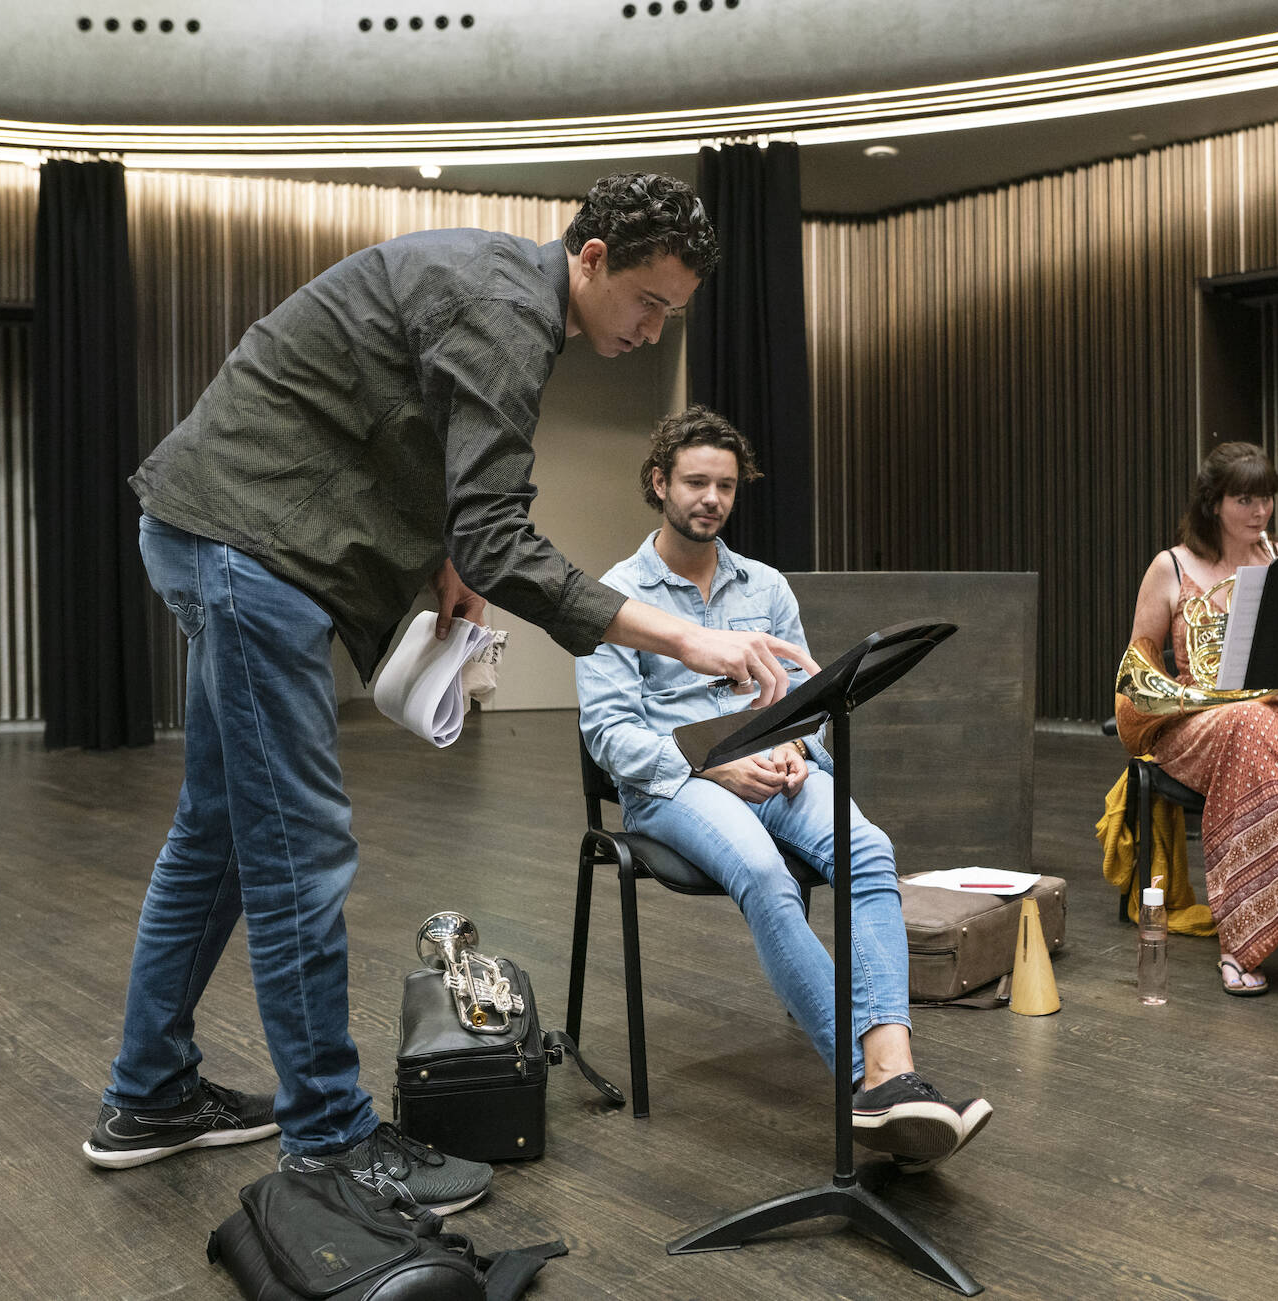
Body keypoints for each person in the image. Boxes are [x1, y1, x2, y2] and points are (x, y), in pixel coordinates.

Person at [81, 174, 820, 1215]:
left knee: (216, 834)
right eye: (649, 303)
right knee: (300, 843)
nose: (655, 333)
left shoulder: (498, 290)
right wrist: (685, 634)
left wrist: (453, 560)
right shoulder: (504, 307)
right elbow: (500, 533)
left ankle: (148, 1093)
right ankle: (333, 1140)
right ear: (594, 259)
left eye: (674, 317)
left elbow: (417, 452)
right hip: (246, 549)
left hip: (222, 533)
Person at [575, 407, 991, 1169]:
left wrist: (800, 745)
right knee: (765, 874)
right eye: (696, 481)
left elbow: (810, 698)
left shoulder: (764, 586)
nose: (712, 498)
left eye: (726, 485)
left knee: (871, 850)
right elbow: (609, 737)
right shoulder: (618, 594)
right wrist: (711, 766)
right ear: (660, 482)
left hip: (773, 766)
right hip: (674, 784)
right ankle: (867, 1085)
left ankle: (896, 1072)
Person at [1124, 441, 1278, 996]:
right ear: (1214, 503)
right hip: (1195, 721)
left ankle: (1242, 947)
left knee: (1261, 727)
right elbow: (1139, 664)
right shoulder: (1172, 567)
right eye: (1245, 499)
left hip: (1277, 711)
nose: (1259, 511)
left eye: (1266, 497)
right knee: (1247, 723)